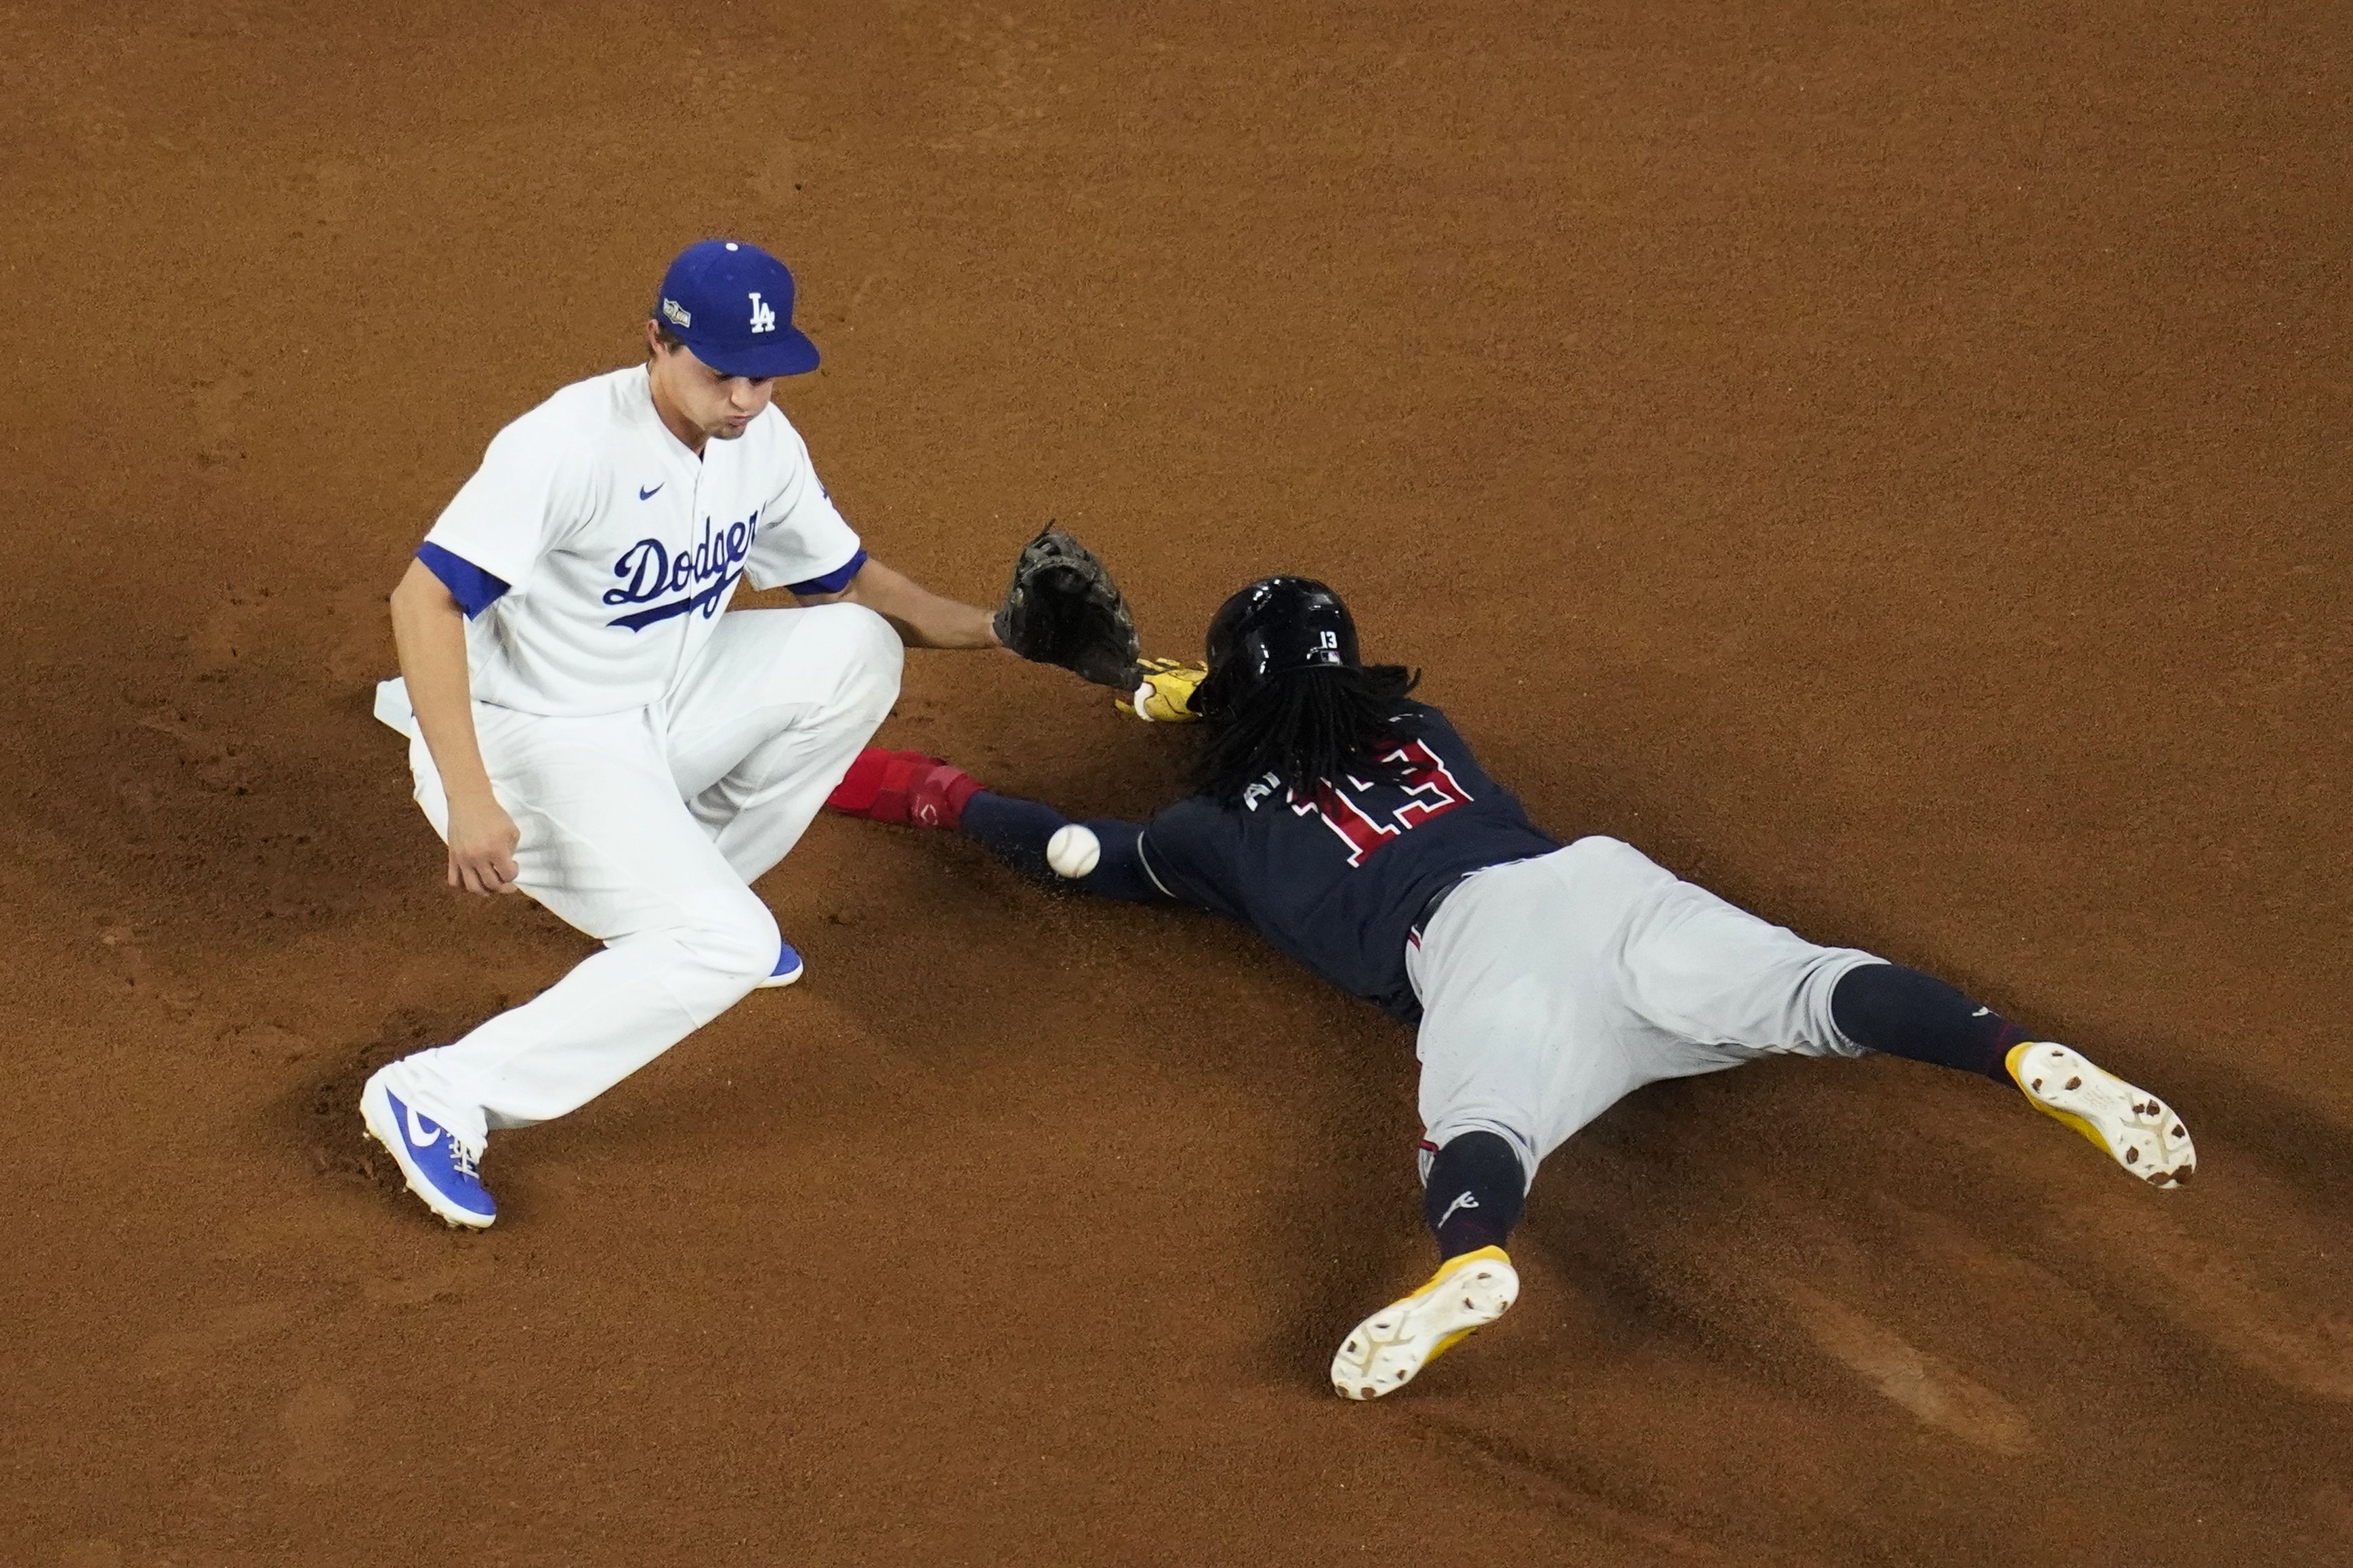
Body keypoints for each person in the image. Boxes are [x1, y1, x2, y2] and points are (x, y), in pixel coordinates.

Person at [825, 576, 2197, 1400]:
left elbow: (1082, 850)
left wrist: (921, 792)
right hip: (1604, 893)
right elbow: (1274, 711)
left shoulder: (1207, 840)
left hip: (1481, 961)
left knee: (1484, 1118)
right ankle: (2022, 1062)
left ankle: (1475, 1258)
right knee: (1817, 987)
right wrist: (1143, 686)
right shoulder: (1425, 726)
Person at [362, 238, 1012, 1230]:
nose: (746, 398)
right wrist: (469, 794)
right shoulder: (568, 444)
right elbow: (424, 601)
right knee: (728, 945)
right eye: (720, 373)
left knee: (858, 650)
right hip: (536, 738)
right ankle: (442, 1091)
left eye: (764, 374)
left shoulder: (762, 438)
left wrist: (998, 629)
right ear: (657, 345)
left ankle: (689, 888)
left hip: (654, 715)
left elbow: (844, 583)